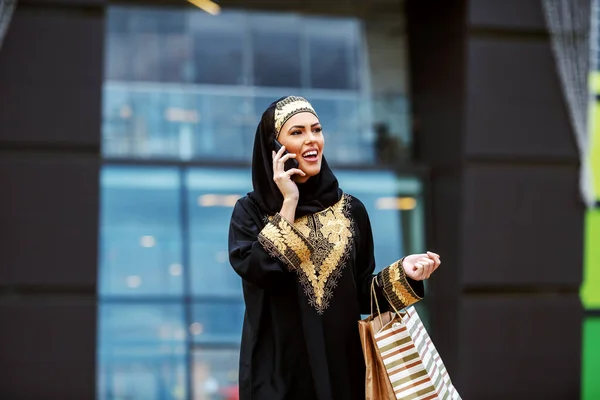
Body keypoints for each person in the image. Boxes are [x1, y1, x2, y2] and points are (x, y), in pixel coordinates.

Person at [228, 96, 441, 400]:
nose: (311, 139)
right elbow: (259, 271)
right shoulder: (250, 213)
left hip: (345, 374)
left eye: (316, 129)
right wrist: (289, 202)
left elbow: (362, 296)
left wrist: (405, 274)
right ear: (274, 147)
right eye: (297, 132)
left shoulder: (352, 210)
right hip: (278, 378)